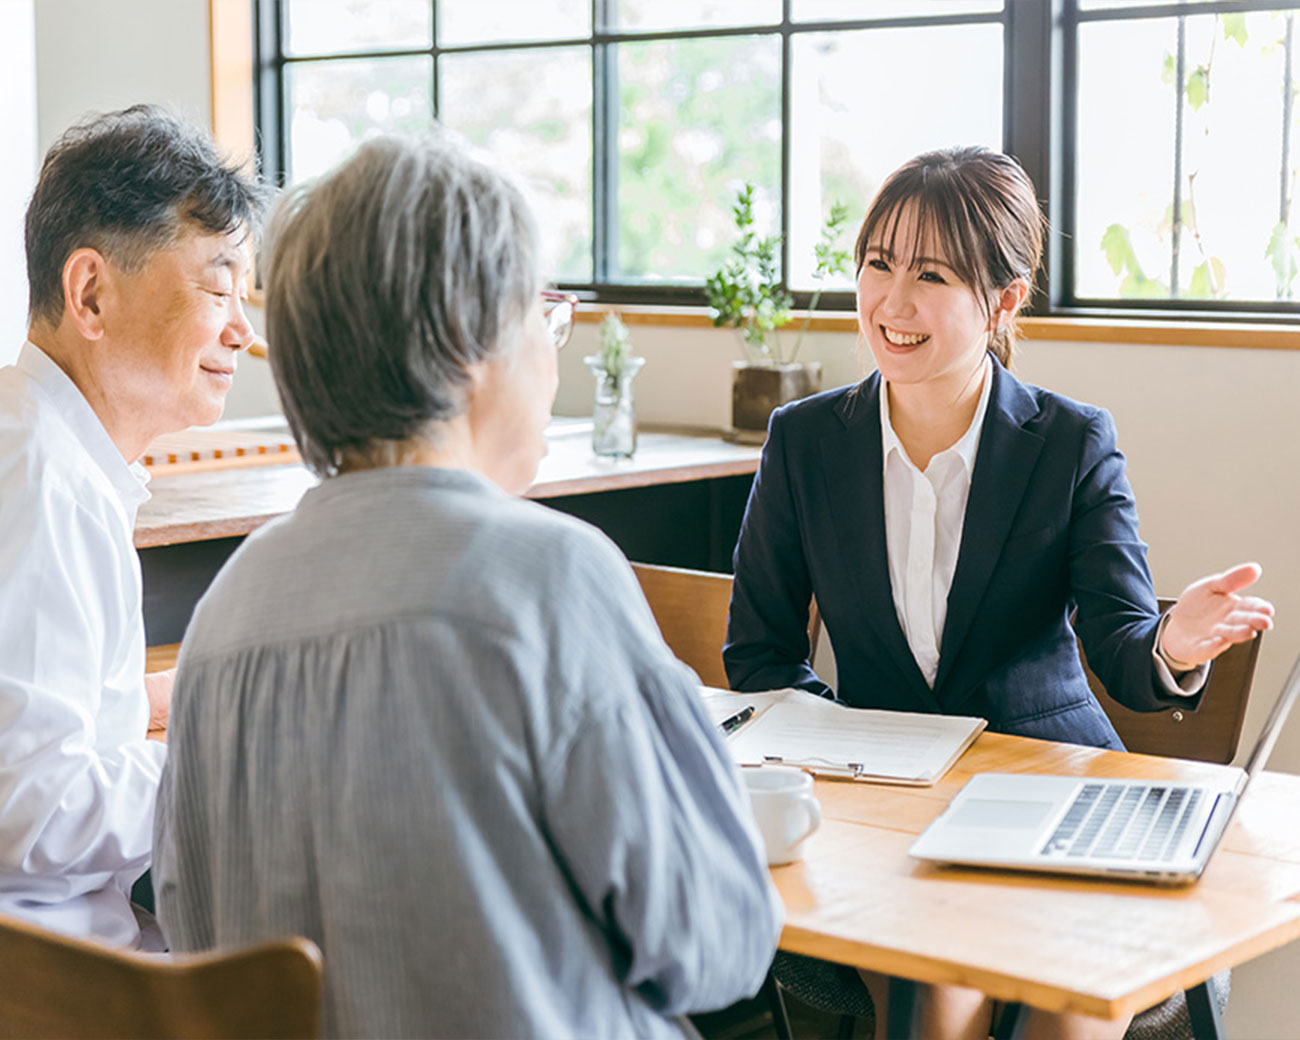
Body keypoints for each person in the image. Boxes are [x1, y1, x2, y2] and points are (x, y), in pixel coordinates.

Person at [152, 130, 782, 1039]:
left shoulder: (227, 613)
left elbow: (195, 933)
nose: (553, 354)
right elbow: (715, 942)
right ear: (468, 340)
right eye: (545, 317)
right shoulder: (549, 576)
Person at [724, 146, 1273, 1039]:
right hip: (885, 813)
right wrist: (855, 748)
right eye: (878, 263)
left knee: (1064, 988)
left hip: (1048, 800)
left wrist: (1172, 645)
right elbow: (759, 656)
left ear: (1005, 301)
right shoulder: (805, 441)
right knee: (939, 987)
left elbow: (1125, 652)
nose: (892, 303)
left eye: (932, 275)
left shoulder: (1071, 442)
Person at [0, 105, 264, 948]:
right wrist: (239, 761)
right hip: (58, 982)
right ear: (90, 293)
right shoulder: (46, 481)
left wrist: (176, 700)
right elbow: (30, 813)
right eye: (218, 288)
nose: (243, 332)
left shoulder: (39, 441)